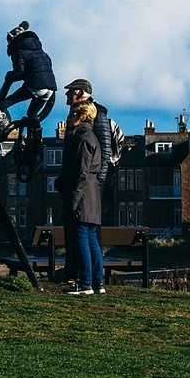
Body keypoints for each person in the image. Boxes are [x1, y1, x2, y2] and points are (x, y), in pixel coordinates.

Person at [60, 78, 115, 283]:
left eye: (70, 91)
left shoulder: (96, 116)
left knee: (84, 234)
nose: (67, 95)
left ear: (81, 92)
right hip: (82, 183)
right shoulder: (80, 120)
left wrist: (97, 182)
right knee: (81, 233)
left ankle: (85, 278)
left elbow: (104, 150)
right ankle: (82, 274)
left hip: (85, 185)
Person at [57, 101, 103, 295]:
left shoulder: (82, 139)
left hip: (83, 195)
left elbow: (81, 173)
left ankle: (86, 283)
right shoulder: (90, 137)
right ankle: (97, 282)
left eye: (74, 114)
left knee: (81, 237)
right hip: (92, 194)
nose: (69, 117)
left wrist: (73, 202)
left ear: (83, 116)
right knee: (90, 238)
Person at [0, 21, 56, 124]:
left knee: (7, 101)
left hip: (35, 85)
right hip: (50, 88)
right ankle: (36, 132)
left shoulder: (18, 52)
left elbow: (19, 72)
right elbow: (49, 64)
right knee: (32, 114)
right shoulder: (41, 52)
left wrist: (9, 76)